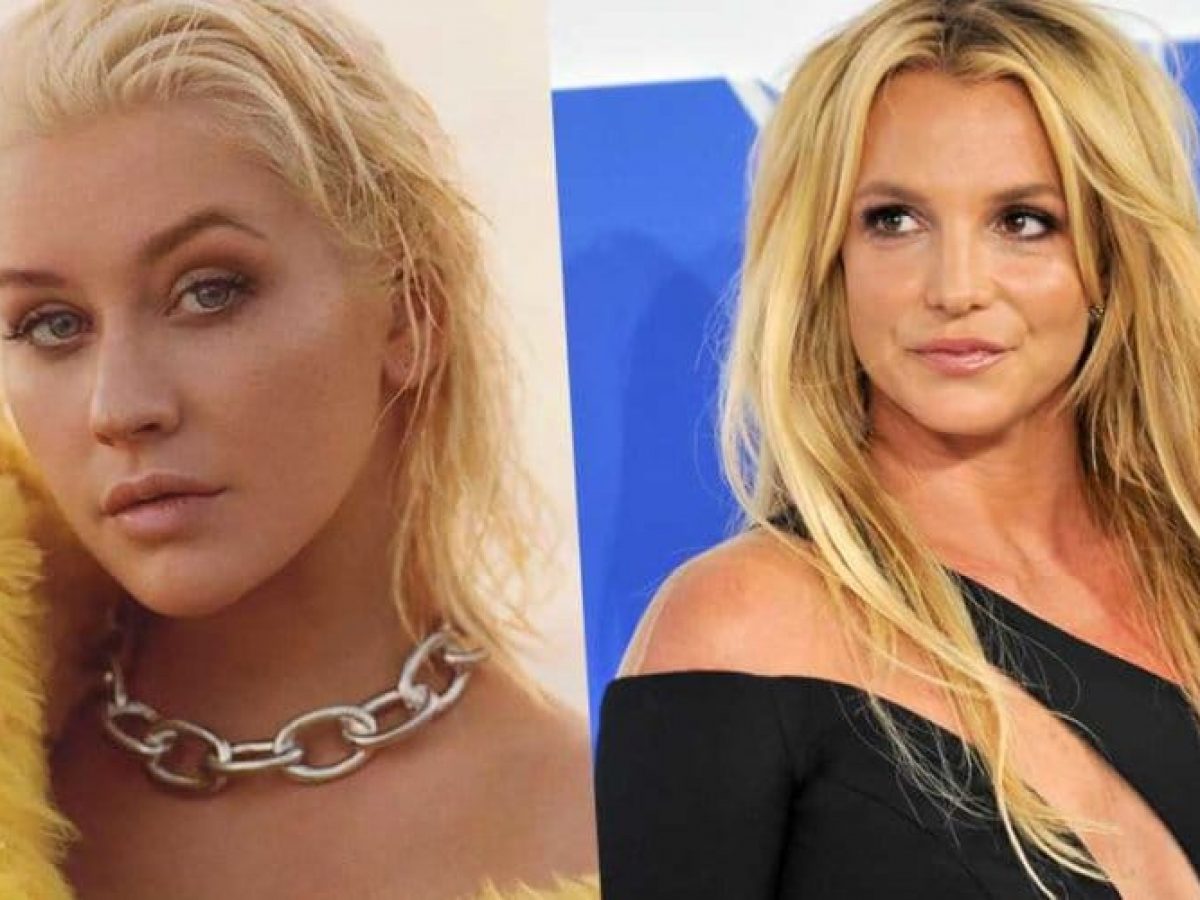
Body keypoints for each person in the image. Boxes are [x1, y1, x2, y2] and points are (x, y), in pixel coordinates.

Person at [596, 0, 1200, 897]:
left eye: (1023, 221)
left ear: (1113, 257)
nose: (955, 287)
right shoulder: (740, 628)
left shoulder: (1182, 576)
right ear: (827, 260)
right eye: (894, 221)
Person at [0, 1, 596, 897]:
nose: (118, 408)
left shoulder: (610, 827)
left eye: (208, 291)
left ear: (409, 312)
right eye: (51, 324)